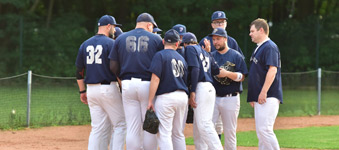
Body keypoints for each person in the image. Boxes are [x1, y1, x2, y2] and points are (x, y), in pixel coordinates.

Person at [109, 12, 163, 150]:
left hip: (127, 84)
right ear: (149, 25)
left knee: (132, 127)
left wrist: (121, 80)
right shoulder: (156, 39)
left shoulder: (121, 38)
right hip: (148, 84)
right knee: (149, 125)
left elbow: (113, 66)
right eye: (152, 27)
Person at [75, 15, 126, 150]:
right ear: (108, 26)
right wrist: (123, 87)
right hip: (108, 88)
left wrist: (82, 91)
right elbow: (115, 69)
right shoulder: (111, 43)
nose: (114, 30)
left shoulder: (85, 44)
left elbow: (79, 71)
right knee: (120, 124)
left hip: (91, 90)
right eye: (114, 27)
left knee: (97, 128)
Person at [183, 32, 227, 150]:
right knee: (198, 128)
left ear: (186, 44)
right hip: (209, 88)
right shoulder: (204, 52)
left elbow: (195, 69)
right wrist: (208, 53)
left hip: (201, 87)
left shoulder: (190, 48)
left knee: (204, 124)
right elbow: (216, 70)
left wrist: (192, 91)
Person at [147, 29, 189, 150]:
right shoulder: (182, 59)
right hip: (182, 97)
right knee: (178, 134)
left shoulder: (159, 55)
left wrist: (150, 100)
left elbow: (155, 79)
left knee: (164, 134)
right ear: (177, 44)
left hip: (166, 97)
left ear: (163, 41)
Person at [209, 28, 248, 150]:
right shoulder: (210, 56)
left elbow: (242, 76)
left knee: (230, 132)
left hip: (230, 98)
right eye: (214, 39)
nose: (215, 42)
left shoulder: (235, 55)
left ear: (225, 39)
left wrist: (227, 74)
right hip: (213, 99)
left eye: (218, 39)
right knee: (209, 129)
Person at [248, 18, 283, 150]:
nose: (250, 34)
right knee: (261, 132)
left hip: (268, 95)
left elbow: (272, 70)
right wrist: (254, 95)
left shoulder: (270, 47)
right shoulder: (259, 48)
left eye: (252, 31)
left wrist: (263, 92)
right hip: (261, 96)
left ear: (261, 30)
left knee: (265, 130)